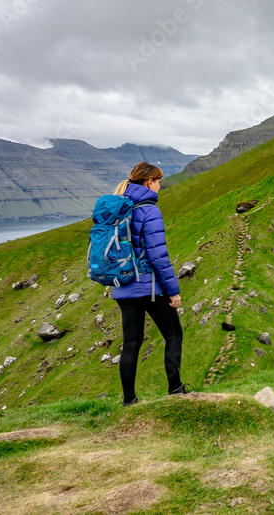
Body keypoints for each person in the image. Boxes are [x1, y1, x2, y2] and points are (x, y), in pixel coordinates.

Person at [112, 162, 188, 406]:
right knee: (174, 333)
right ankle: (175, 389)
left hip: (123, 286)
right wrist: (173, 292)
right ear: (148, 182)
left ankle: (129, 400)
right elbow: (158, 256)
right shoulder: (149, 210)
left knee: (131, 343)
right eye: (158, 181)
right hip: (149, 287)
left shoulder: (120, 207)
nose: (159, 186)